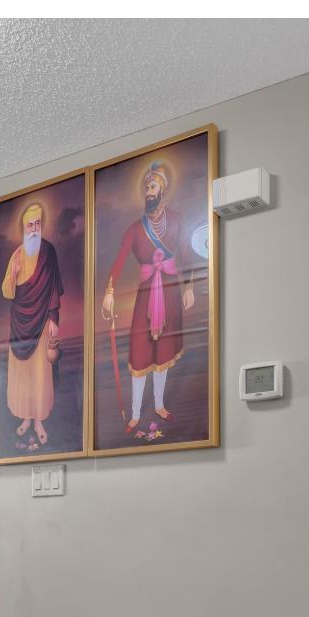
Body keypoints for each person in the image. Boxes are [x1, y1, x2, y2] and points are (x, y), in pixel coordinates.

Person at [100, 159, 197, 435]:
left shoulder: (176, 220)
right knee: (141, 353)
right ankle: (134, 414)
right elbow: (119, 261)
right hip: (145, 297)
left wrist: (189, 287)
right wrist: (109, 292)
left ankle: (159, 405)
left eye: (153, 186)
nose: (148, 191)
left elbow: (187, 255)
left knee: (163, 351)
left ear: (162, 189)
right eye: (146, 187)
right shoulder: (134, 228)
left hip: (170, 293)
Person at [0, 201, 61, 448]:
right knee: (23, 375)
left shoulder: (49, 251)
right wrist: (14, 274)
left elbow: (54, 288)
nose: (34, 228)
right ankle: (25, 417)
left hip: (43, 320)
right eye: (30, 225)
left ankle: (38, 421)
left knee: (40, 374)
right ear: (24, 228)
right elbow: (7, 292)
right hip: (20, 325)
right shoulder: (16, 255)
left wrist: (54, 319)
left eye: (37, 224)